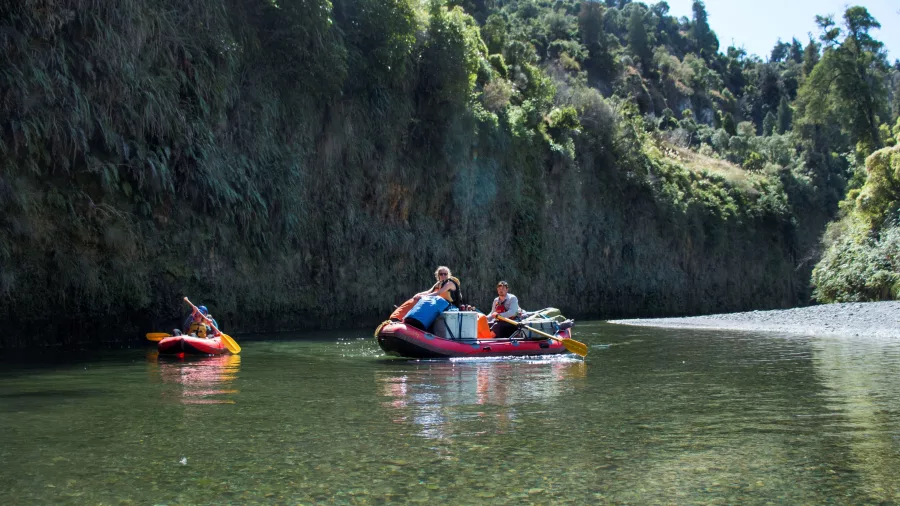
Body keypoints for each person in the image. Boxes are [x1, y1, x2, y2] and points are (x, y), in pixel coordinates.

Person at [390, 266, 462, 321]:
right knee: (415, 300)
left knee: (426, 303)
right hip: (439, 303)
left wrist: (423, 297)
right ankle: (397, 317)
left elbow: (438, 293)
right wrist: (419, 294)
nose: (443, 276)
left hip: (450, 306)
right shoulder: (438, 283)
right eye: (441, 274)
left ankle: (417, 321)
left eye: (445, 274)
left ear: (448, 275)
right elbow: (429, 292)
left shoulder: (450, 283)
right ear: (438, 275)